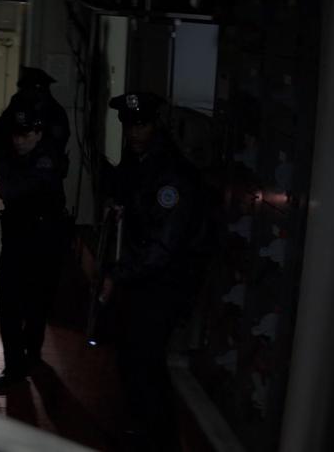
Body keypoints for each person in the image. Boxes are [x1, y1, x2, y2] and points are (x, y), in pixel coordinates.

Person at [100, 92, 210, 451]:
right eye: (129, 124)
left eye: (141, 124)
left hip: (165, 281)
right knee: (131, 355)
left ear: (155, 124)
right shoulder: (139, 160)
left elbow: (164, 247)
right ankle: (141, 428)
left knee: (147, 360)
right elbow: (126, 190)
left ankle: (161, 440)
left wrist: (117, 274)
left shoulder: (172, 175)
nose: (133, 132)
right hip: (141, 275)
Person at [0, 98, 67, 393]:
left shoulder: (47, 158)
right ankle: (15, 366)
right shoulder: (12, 153)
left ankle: (31, 354)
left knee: (37, 304)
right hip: (17, 241)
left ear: (38, 133)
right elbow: (0, 169)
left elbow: (25, 186)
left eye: (25, 135)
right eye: (15, 134)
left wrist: (2, 186)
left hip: (44, 243)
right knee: (9, 301)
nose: (19, 141)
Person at [0, 66, 70, 184]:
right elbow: (1, 132)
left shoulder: (53, 111)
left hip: (42, 178)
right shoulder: (17, 105)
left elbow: (58, 141)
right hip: (16, 173)